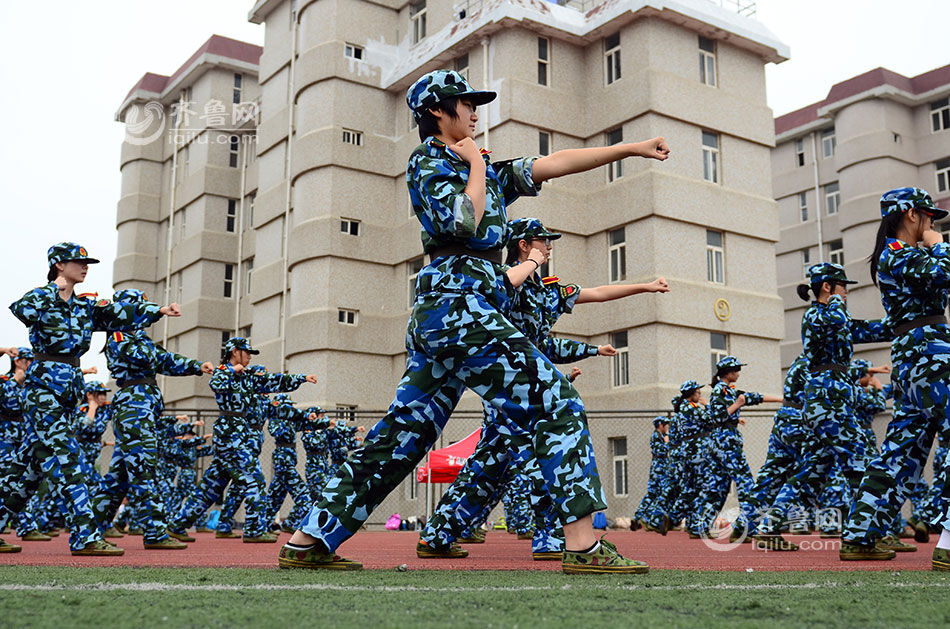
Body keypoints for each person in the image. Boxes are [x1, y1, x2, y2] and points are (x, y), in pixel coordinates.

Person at [280, 69, 670, 573]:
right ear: (438, 111)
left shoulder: (477, 161)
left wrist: (631, 148)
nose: (475, 111)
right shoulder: (429, 161)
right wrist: (476, 167)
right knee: (556, 399)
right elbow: (460, 222)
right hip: (458, 308)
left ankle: (308, 539)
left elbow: (553, 164)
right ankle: (584, 546)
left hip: (452, 316)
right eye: (466, 103)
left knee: (403, 434)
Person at [415, 217, 670, 562]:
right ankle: (550, 537)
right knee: (541, 456)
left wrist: (646, 287)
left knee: (488, 470)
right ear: (523, 244)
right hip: (507, 387)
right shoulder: (502, 283)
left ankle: (437, 535)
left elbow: (590, 299)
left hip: (525, 384)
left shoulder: (547, 290)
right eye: (543, 240)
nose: (549, 246)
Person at [0, 243, 178, 556]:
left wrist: (157, 311)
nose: (84, 267)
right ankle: (84, 537)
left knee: (27, 470)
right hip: (43, 393)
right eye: (78, 262)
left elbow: (119, 315)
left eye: (87, 263)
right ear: (58, 265)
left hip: (67, 393)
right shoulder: (44, 300)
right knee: (71, 463)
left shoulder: (84, 308)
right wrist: (54, 290)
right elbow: (20, 308)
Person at [837, 187, 950, 568]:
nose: (932, 222)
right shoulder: (899, 254)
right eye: (928, 216)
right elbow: (946, 273)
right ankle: (948, 541)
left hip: (914, 357)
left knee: (901, 452)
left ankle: (860, 534)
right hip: (929, 356)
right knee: (910, 449)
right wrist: (939, 244)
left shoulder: (894, 256)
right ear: (911, 215)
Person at [753, 263, 888, 553]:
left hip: (828, 405)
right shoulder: (818, 314)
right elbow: (840, 319)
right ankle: (866, 536)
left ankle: (768, 527)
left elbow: (861, 330)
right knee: (862, 462)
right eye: (843, 286)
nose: (847, 292)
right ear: (828, 287)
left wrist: (904, 325)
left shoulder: (834, 318)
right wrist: (835, 299)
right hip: (828, 404)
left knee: (812, 471)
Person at [90, 288, 215, 550]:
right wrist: (187, 363)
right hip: (134, 406)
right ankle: (155, 532)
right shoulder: (119, 334)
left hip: (140, 406)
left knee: (120, 476)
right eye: (140, 309)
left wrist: (196, 366)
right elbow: (155, 358)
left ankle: (90, 531)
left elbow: (164, 360)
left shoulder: (136, 336)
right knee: (144, 470)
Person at [169, 338, 316, 544]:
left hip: (237, 437)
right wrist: (232, 370)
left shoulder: (248, 377)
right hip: (231, 436)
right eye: (246, 353)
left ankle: (177, 525)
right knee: (254, 479)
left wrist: (301, 378)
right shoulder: (223, 371)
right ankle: (254, 530)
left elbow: (274, 380)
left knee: (211, 486)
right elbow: (216, 384)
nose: (249, 357)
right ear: (234, 352)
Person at [667, 380, 711, 538]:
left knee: (692, 488)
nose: (700, 395)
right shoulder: (690, 408)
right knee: (699, 488)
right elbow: (710, 419)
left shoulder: (683, 409)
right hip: (696, 451)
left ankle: (690, 525)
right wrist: (707, 405)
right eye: (698, 392)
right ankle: (672, 518)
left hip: (690, 451)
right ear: (691, 394)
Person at [635, 417, 672, 534]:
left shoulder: (658, 436)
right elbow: (660, 451)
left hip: (659, 468)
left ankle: (639, 518)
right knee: (660, 493)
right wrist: (667, 443)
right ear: (660, 425)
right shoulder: (657, 436)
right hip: (659, 469)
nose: (667, 427)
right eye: (666, 424)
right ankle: (648, 519)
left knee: (653, 493)